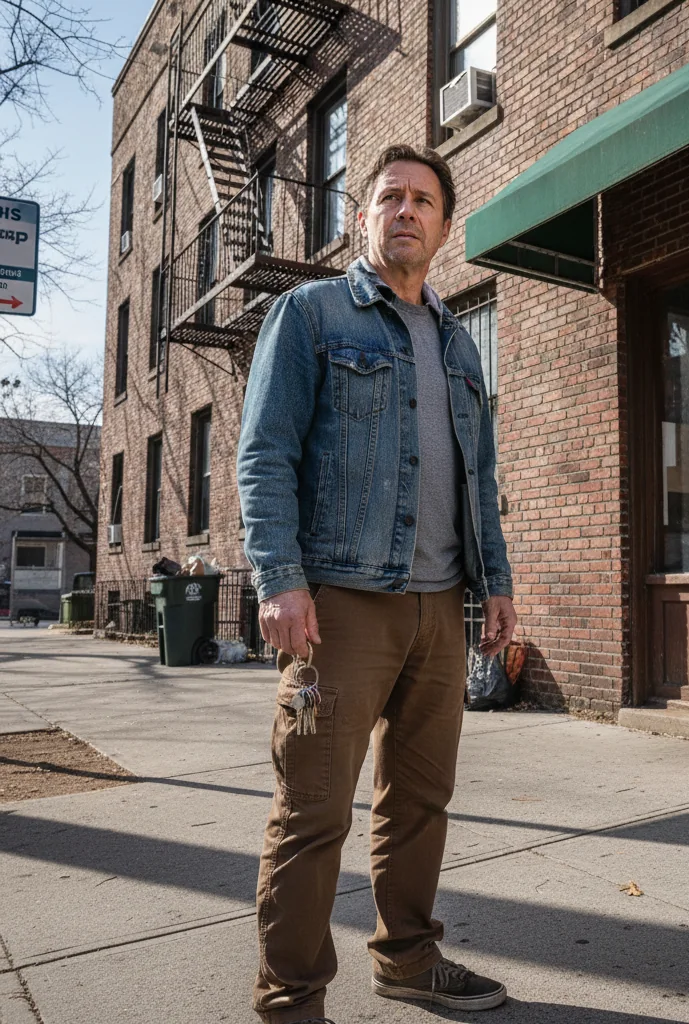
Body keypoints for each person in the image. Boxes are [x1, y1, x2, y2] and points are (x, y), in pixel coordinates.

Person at [237, 144, 516, 1024]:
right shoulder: (311, 314)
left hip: (442, 609)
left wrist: (494, 583)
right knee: (314, 807)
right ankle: (289, 1001)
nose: (406, 210)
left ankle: (408, 958)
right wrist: (280, 580)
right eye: (389, 197)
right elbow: (264, 453)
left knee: (422, 800)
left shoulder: (462, 344)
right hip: (340, 611)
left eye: (423, 200)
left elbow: (482, 477)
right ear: (363, 217)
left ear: (442, 224)